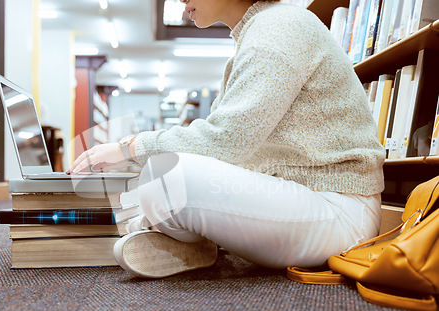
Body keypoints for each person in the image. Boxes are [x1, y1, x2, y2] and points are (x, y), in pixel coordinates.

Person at [67, 0, 385, 279]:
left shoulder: (275, 31)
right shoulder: (261, 30)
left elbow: (227, 141)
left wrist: (130, 147)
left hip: (340, 213)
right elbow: (228, 145)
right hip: (308, 200)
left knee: (163, 179)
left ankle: (190, 239)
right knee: (152, 189)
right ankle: (192, 238)